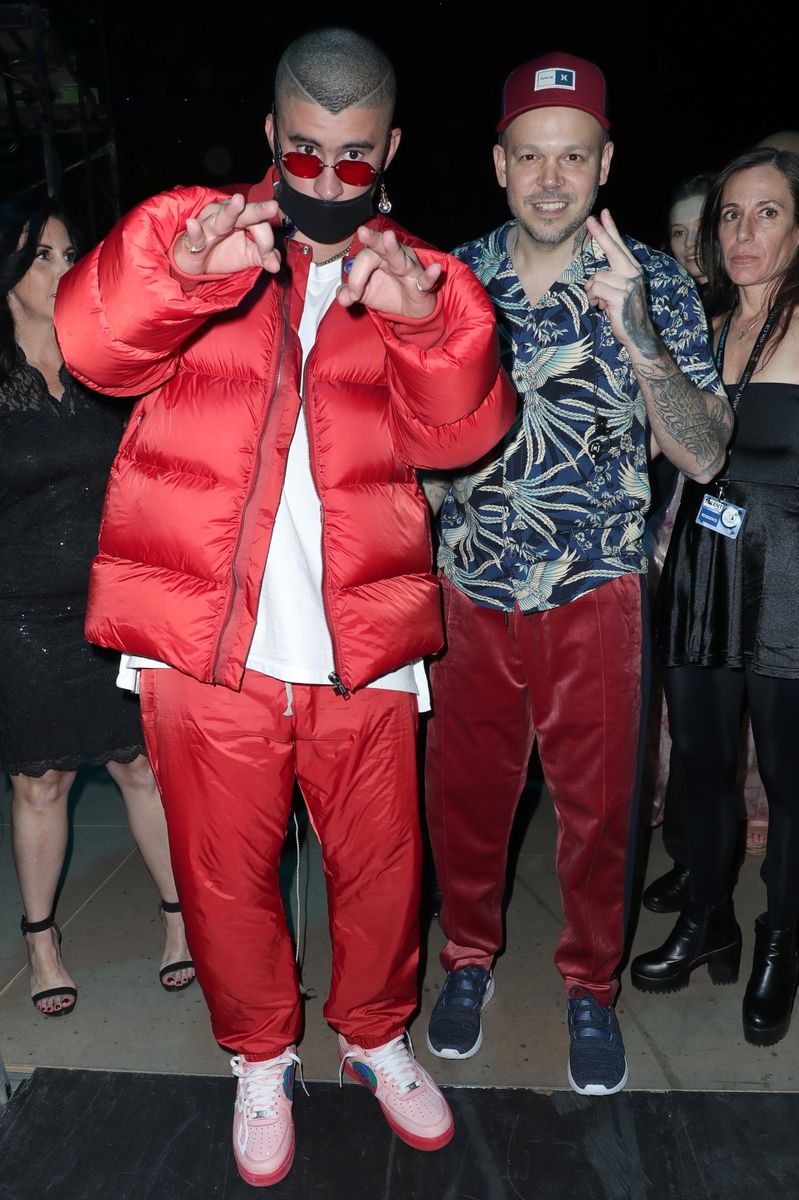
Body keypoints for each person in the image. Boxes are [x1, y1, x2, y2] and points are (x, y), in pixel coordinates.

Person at [54, 28, 515, 1189]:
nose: (321, 180)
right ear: (270, 134)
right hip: (208, 642)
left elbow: (468, 431)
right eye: (301, 150)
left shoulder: (423, 278)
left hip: (361, 642)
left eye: (354, 160)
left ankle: (372, 1036)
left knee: (379, 872)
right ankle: (259, 1057)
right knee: (221, 873)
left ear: (391, 149)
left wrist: (415, 321)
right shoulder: (196, 237)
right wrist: (180, 273)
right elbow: (90, 346)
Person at [422, 51, 731, 1097]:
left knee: (599, 811)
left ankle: (588, 990)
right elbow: (408, 446)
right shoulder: (445, 282)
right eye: (530, 157)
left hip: (596, 592)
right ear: (499, 164)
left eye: (573, 157)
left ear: (604, 164)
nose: (550, 179)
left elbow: (701, 451)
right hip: (469, 589)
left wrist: (634, 328)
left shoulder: (652, 283)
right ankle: (465, 961)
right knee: (465, 800)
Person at [0, 196, 194, 1019]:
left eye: (69, 252)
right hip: (20, 616)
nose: (63, 269)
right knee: (39, 782)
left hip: (112, 601)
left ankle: (181, 926)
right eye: (43, 256)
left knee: (140, 765)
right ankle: (41, 942)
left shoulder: (98, 360)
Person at [631, 147, 799, 1048]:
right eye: (730, 214)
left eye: (765, 213)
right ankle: (708, 918)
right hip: (700, 571)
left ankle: (780, 937)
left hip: (790, 585)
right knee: (698, 765)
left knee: (787, 776)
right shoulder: (703, 324)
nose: (740, 232)